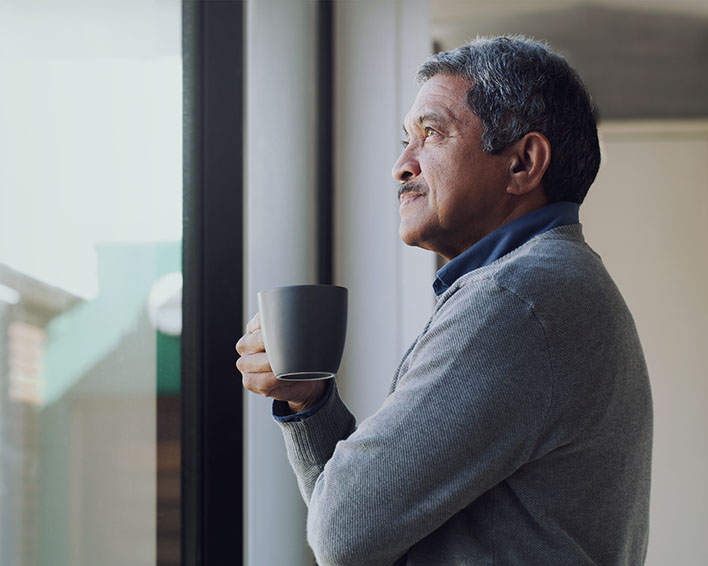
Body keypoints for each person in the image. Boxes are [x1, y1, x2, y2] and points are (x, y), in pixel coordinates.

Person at [237, 36, 652, 566]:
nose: (400, 166)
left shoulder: (514, 299)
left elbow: (344, 530)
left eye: (431, 134)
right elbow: (355, 522)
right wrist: (308, 401)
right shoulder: (556, 283)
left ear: (524, 163)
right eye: (405, 139)